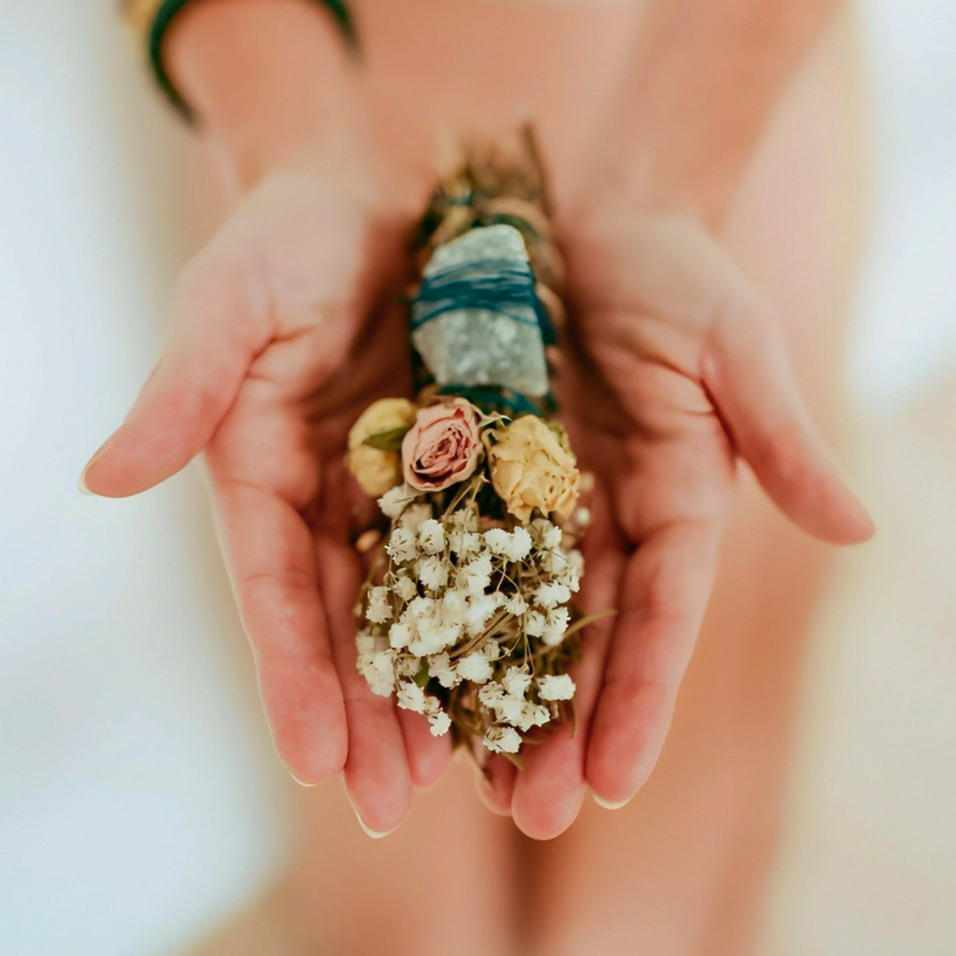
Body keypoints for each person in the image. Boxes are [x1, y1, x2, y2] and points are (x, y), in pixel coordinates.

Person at [84, 1, 873, 952]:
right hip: (314, 75)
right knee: (403, 910)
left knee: (660, 896)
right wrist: (295, 141)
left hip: (710, 78)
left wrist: (672, 181)